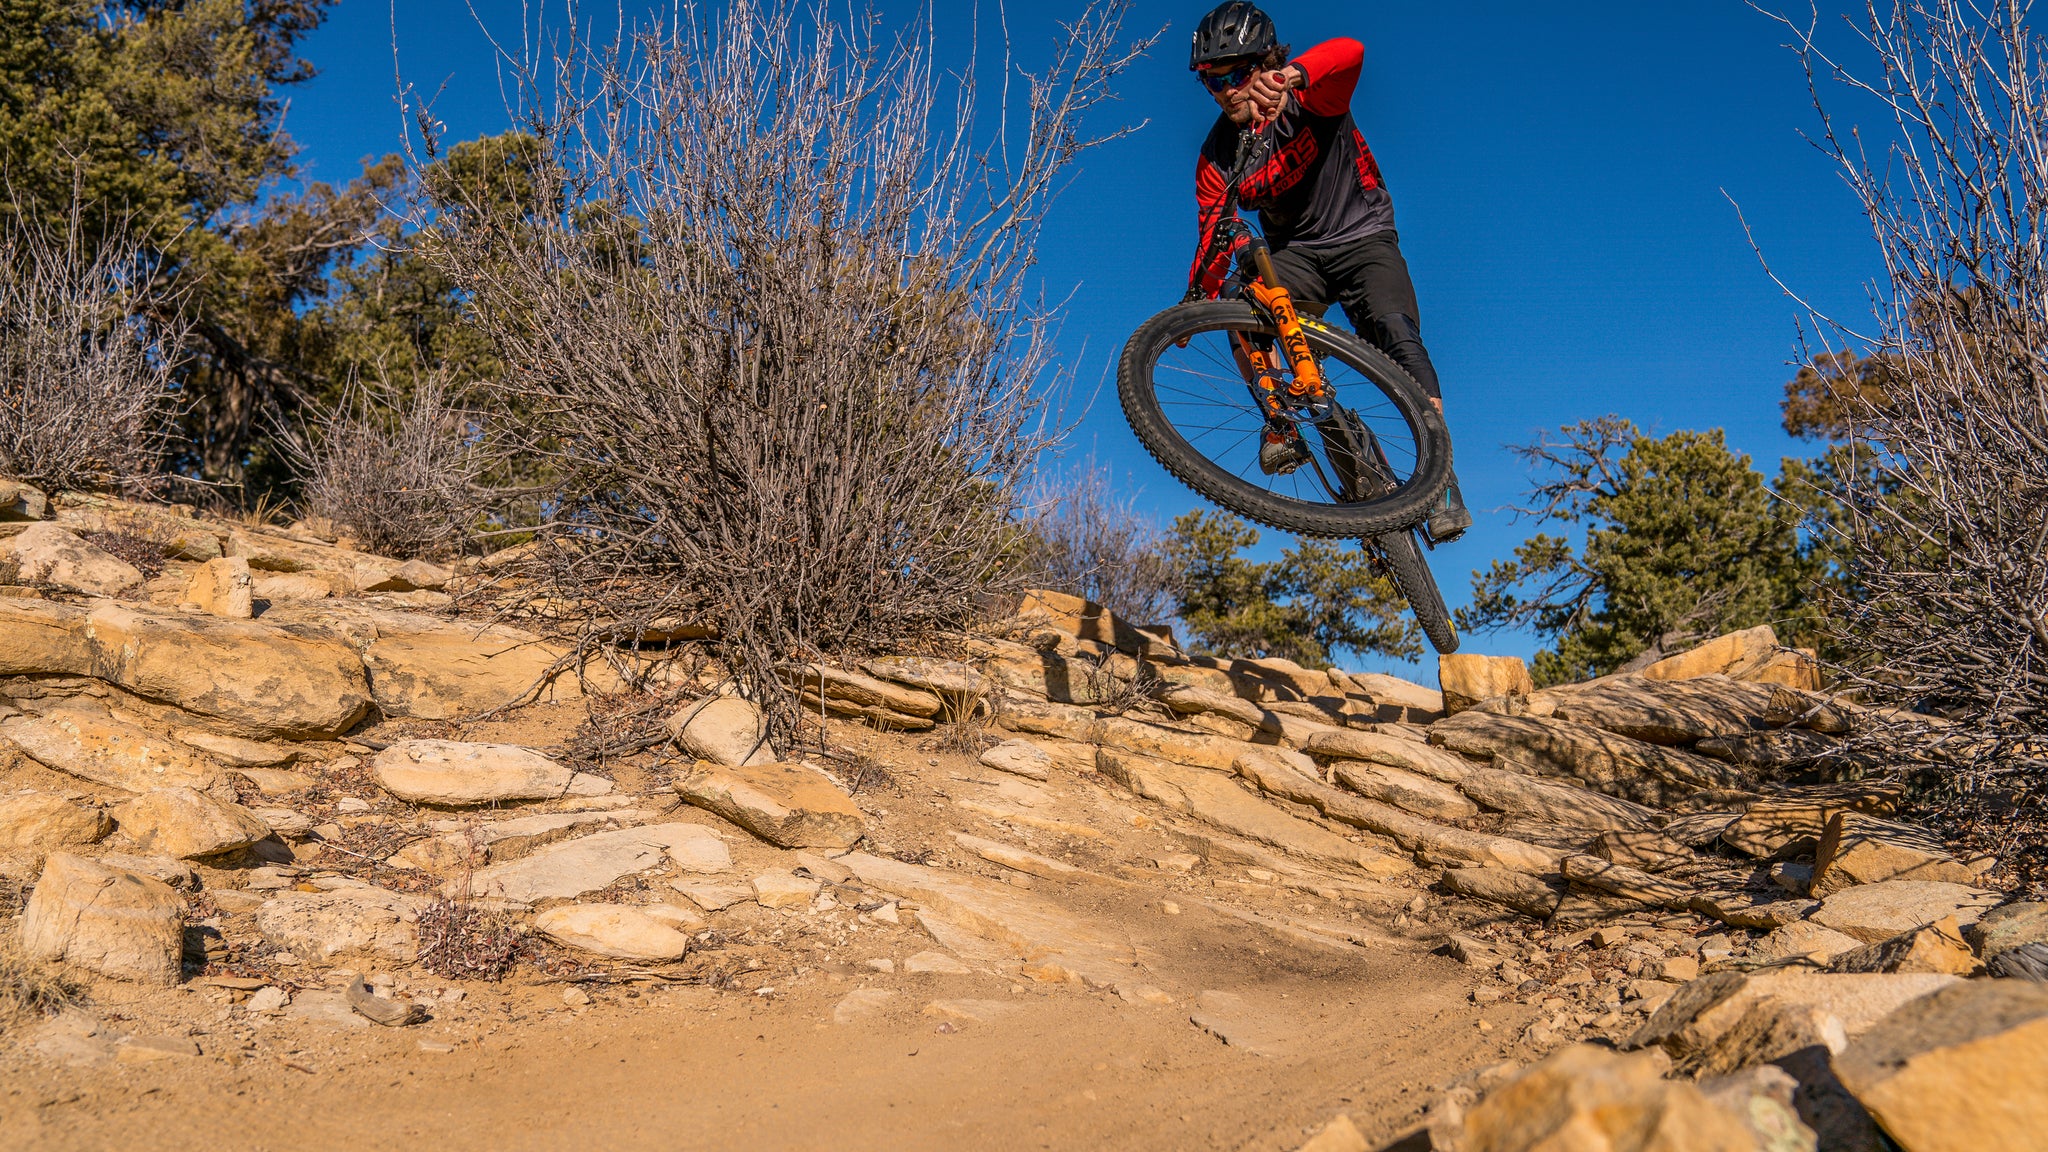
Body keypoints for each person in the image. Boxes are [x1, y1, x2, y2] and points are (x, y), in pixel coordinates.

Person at [1186, 1, 1471, 542]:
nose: (1226, 89)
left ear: (1268, 62)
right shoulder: (1218, 155)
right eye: (1211, 81)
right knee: (1239, 304)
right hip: (1297, 256)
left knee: (1397, 337)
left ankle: (1441, 480)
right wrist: (1196, 300)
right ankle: (1281, 421)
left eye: (1238, 73)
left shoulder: (1310, 95)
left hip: (1363, 236)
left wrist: (1292, 78)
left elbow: (1351, 53)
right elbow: (1212, 235)